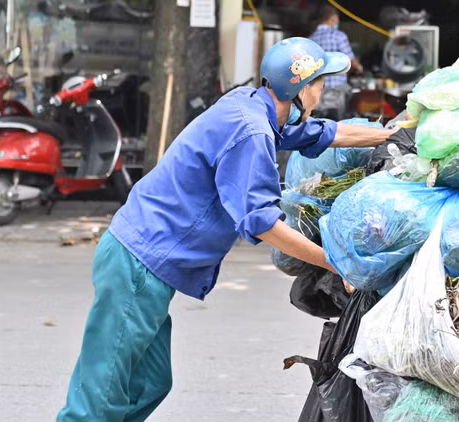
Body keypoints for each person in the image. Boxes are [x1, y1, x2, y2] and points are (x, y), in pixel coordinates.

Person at [56, 37, 394, 422]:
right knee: (100, 396)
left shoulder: (254, 107)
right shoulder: (252, 133)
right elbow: (262, 223)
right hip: (139, 263)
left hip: (146, 262)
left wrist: (392, 136)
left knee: (150, 382)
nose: (324, 90)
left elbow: (322, 134)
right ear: (300, 90)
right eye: (320, 82)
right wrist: (333, 261)